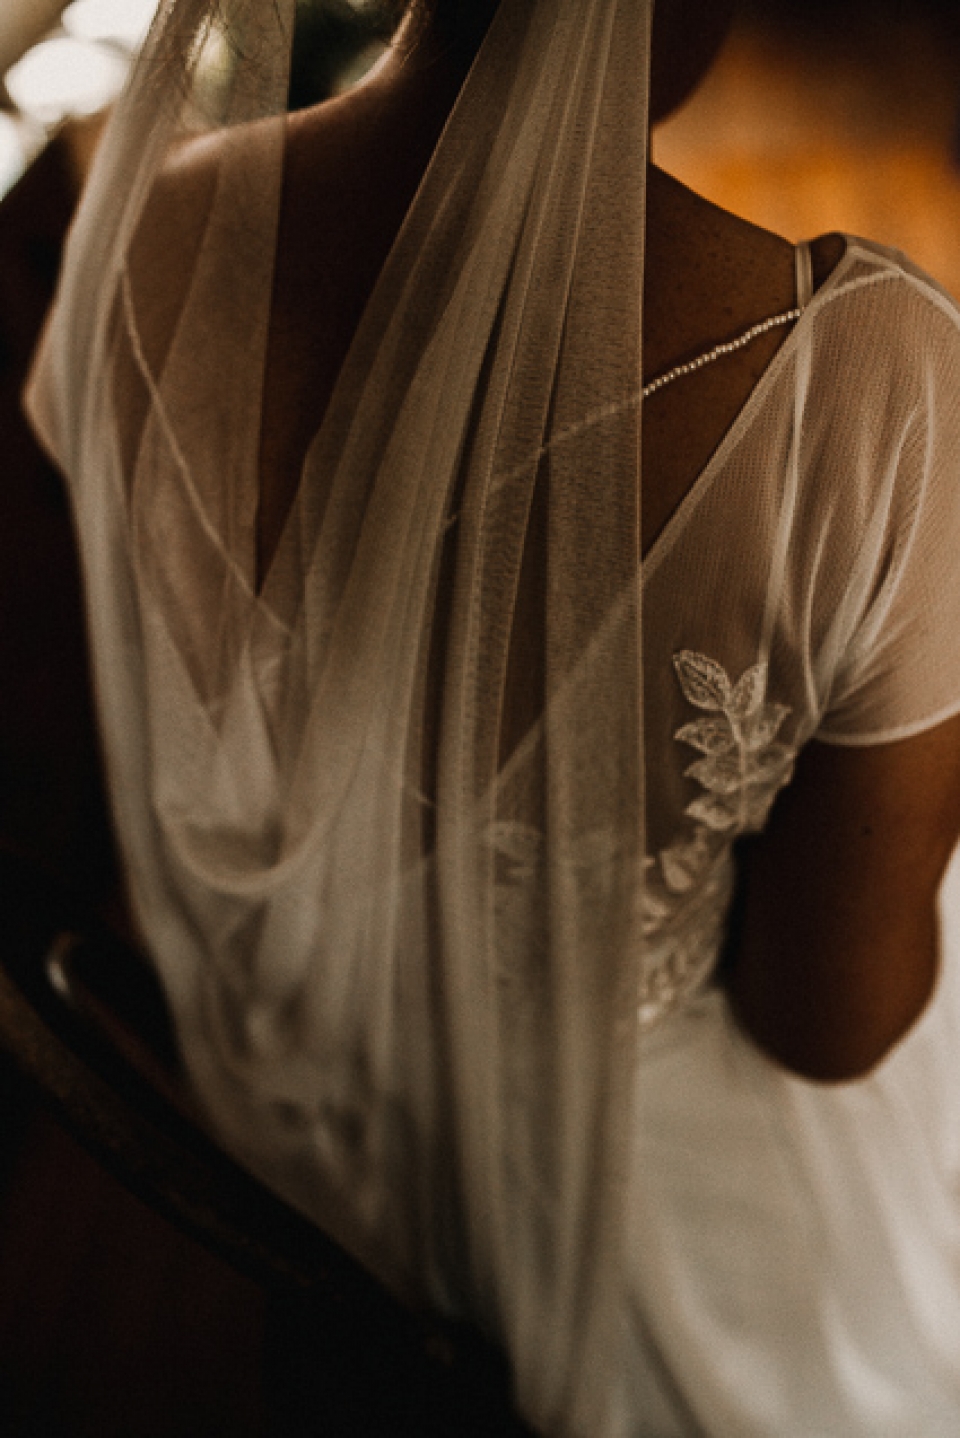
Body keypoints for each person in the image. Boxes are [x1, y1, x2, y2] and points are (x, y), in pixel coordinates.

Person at [23, 0, 960, 1431]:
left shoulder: (149, 234)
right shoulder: (871, 395)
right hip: (643, 1208)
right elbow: (824, 1026)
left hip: (311, 1126)